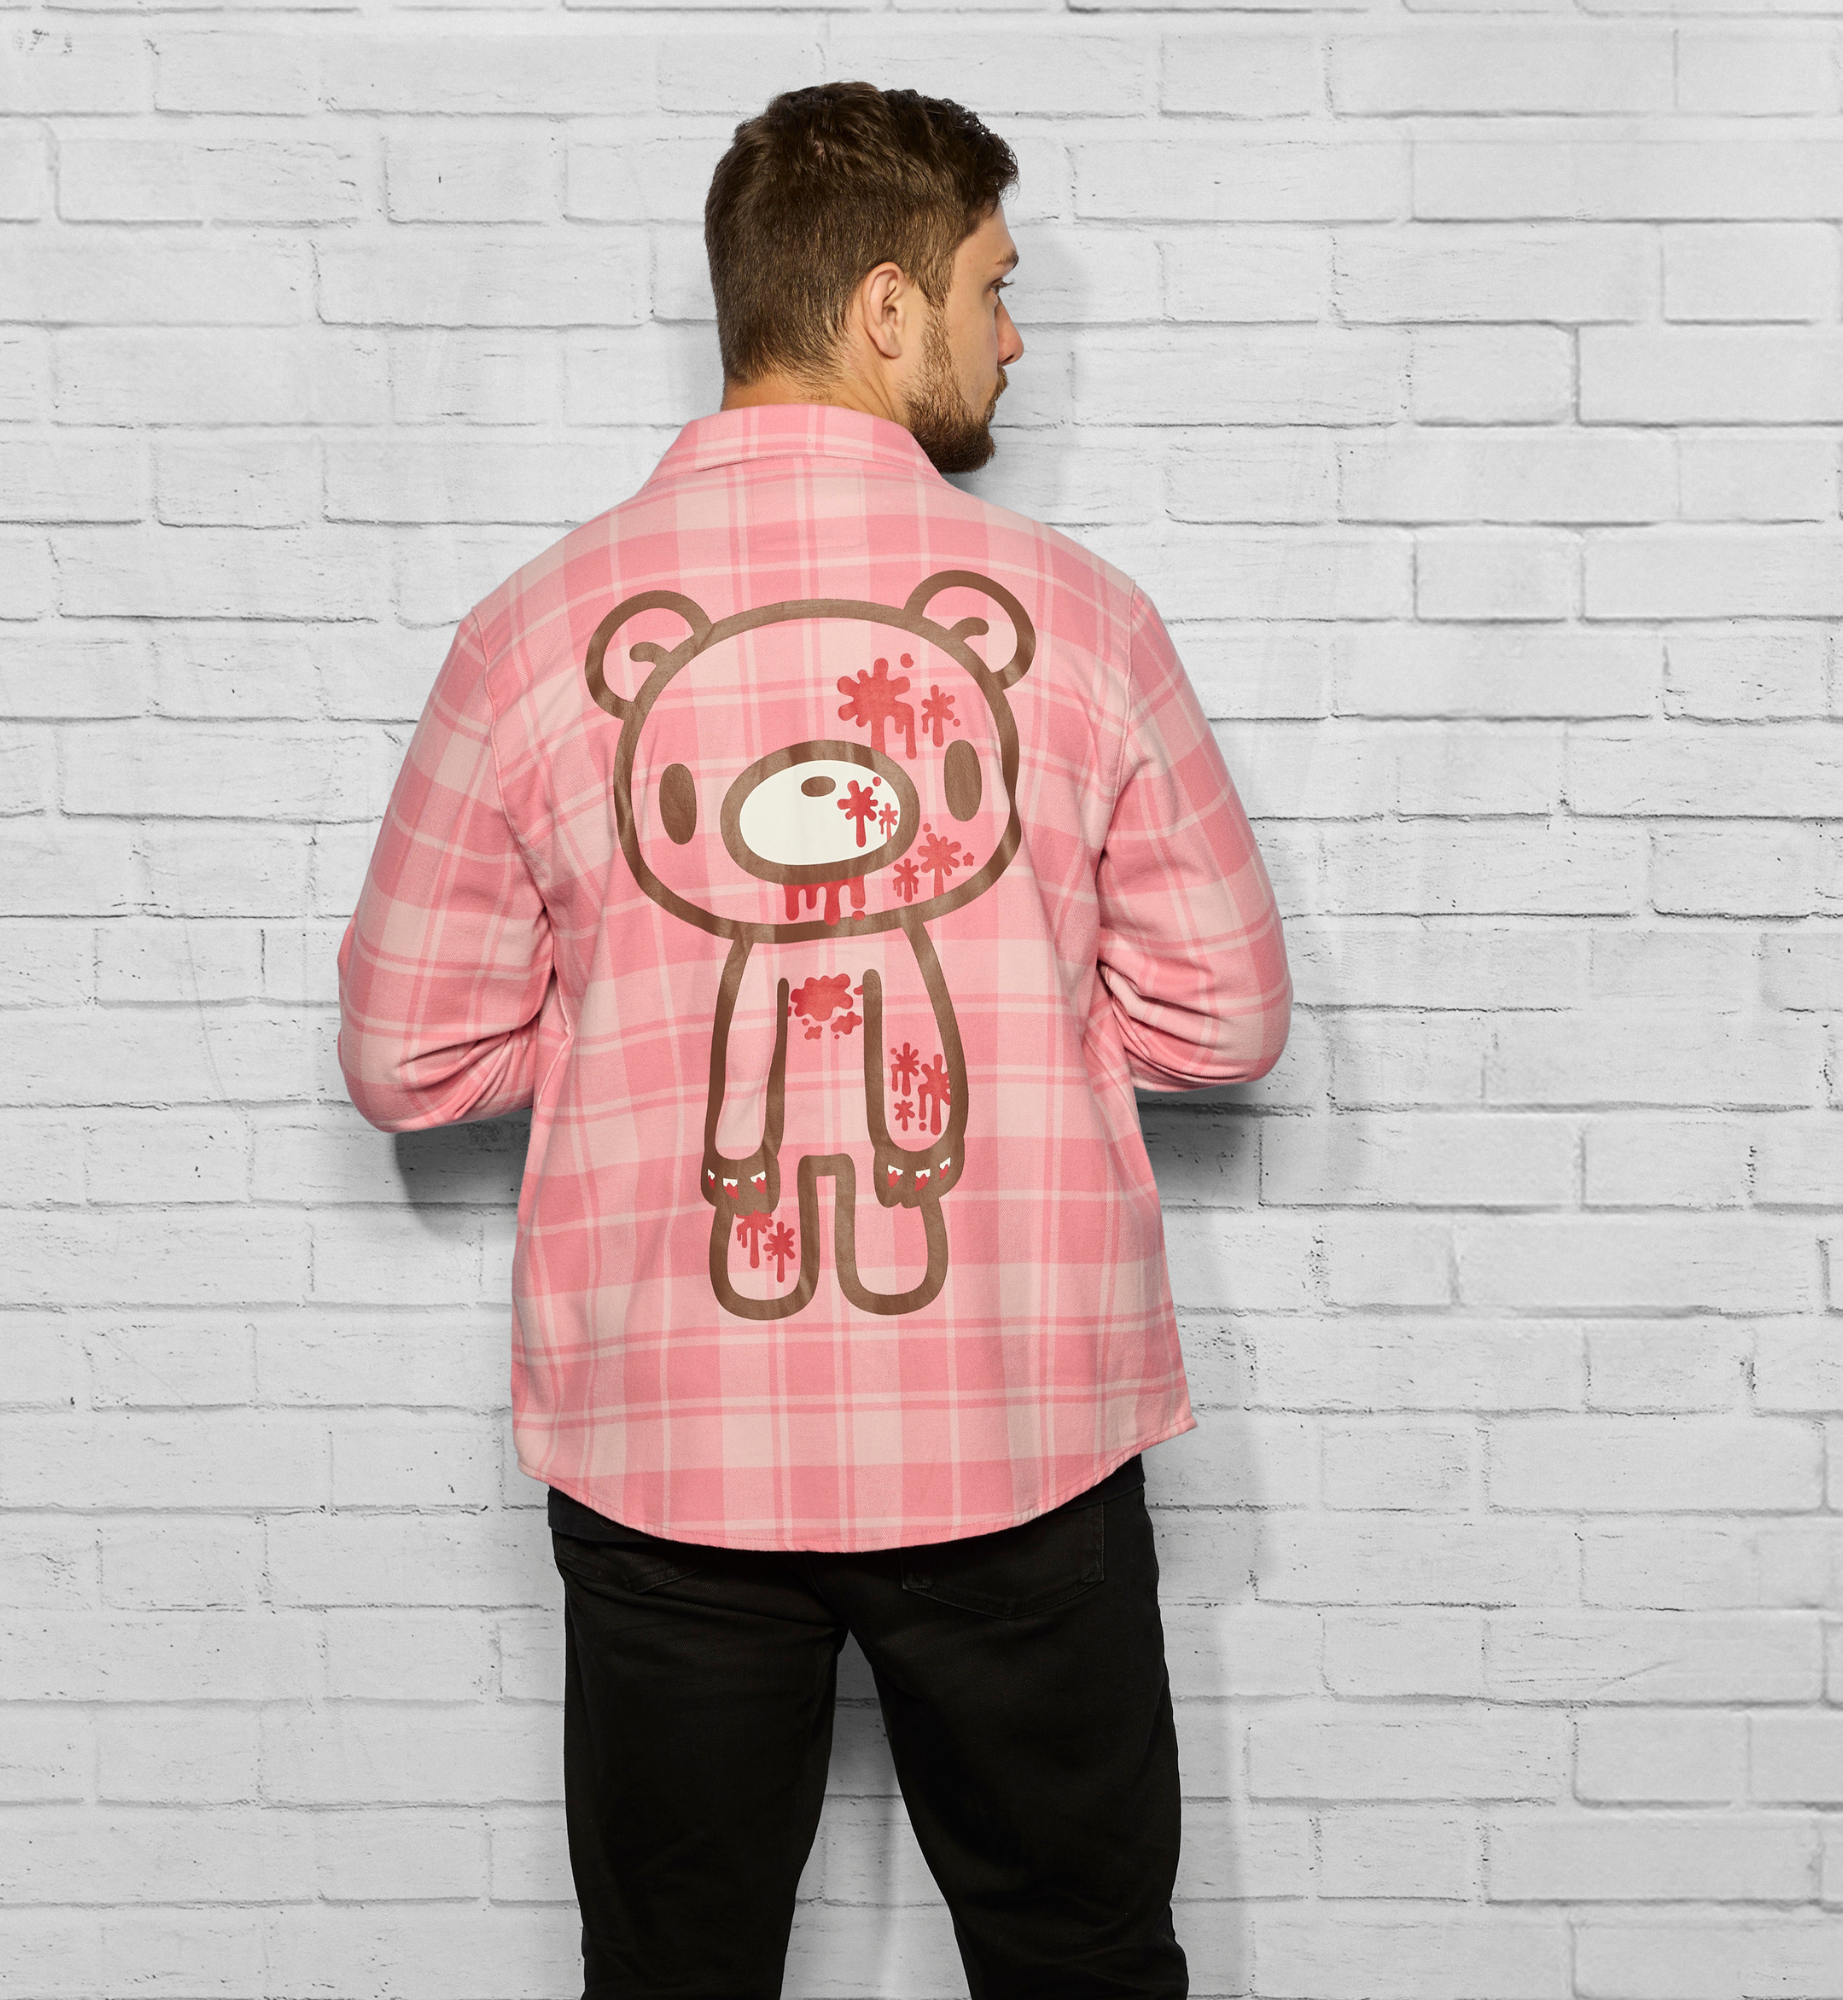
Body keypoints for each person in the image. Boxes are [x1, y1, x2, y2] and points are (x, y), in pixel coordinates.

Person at [337, 80, 1291, 2000]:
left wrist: (624, 1033)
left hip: (667, 1450)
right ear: (883, 307)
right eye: (992, 288)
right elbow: (1224, 1019)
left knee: (675, 1972)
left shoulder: (531, 634)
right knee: (1083, 1959)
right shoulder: (1082, 622)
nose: (1013, 338)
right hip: (1018, 1425)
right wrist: (1026, 1019)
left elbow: (408, 1058)